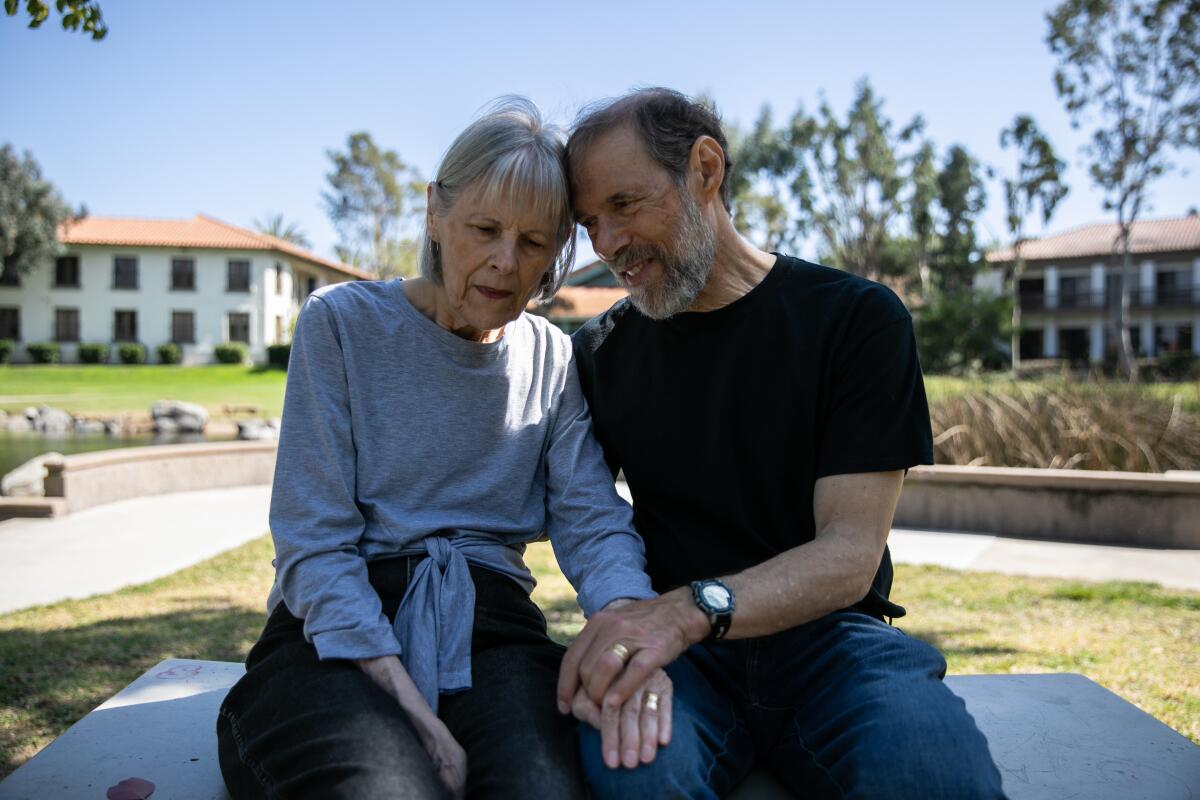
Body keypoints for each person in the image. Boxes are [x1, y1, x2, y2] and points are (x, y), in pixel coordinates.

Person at [556, 88, 1008, 799]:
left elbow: (848, 558)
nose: (607, 245)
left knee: (933, 777)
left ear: (705, 168)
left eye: (624, 205)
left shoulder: (856, 319)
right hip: (681, 662)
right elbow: (581, 517)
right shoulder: (599, 354)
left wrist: (681, 613)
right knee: (634, 777)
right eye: (589, 222)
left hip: (834, 643)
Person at [216, 97, 670, 800]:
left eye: (533, 241)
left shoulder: (551, 357)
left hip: (492, 631)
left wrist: (632, 631)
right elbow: (313, 545)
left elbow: (590, 519)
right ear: (434, 212)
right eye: (484, 228)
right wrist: (414, 713)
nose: (504, 262)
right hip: (337, 634)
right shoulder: (340, 326)